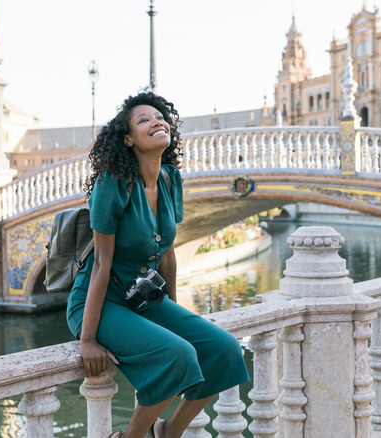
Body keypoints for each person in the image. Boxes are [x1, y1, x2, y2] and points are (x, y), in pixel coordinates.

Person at [66, 91, 250, 438]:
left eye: (160, 116)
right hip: (102, 303)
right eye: (144, 120)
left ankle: (168, 431)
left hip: (144, 299)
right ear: (128, 138)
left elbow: (167, 252)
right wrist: (87, 339)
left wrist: (175, 313)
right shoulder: (112, 183)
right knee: (178, 354)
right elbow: (102, 264)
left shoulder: (169, 178)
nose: (157, 122)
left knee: (224, 349)